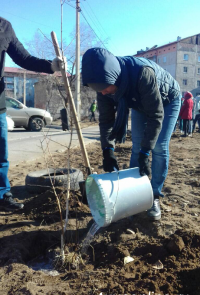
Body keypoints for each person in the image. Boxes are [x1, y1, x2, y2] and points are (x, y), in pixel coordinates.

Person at [82, 48, 181, 221]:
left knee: (157, 146)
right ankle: (136, 196)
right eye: (99, 90)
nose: (103, 92)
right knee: (136, 145)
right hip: (138, 102)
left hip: (166, 100)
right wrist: (108, 151)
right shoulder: (103, 85)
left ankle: (155, 196)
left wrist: (146, 152)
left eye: (105, 88)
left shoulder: (142, 73)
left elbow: (156, 115)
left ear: (114, 78)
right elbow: (106, 121)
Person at [0, 16, 64, 210]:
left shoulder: (4, 27)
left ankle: (2, 194)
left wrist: (51, 66)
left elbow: (24, 58)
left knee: (1, 154)